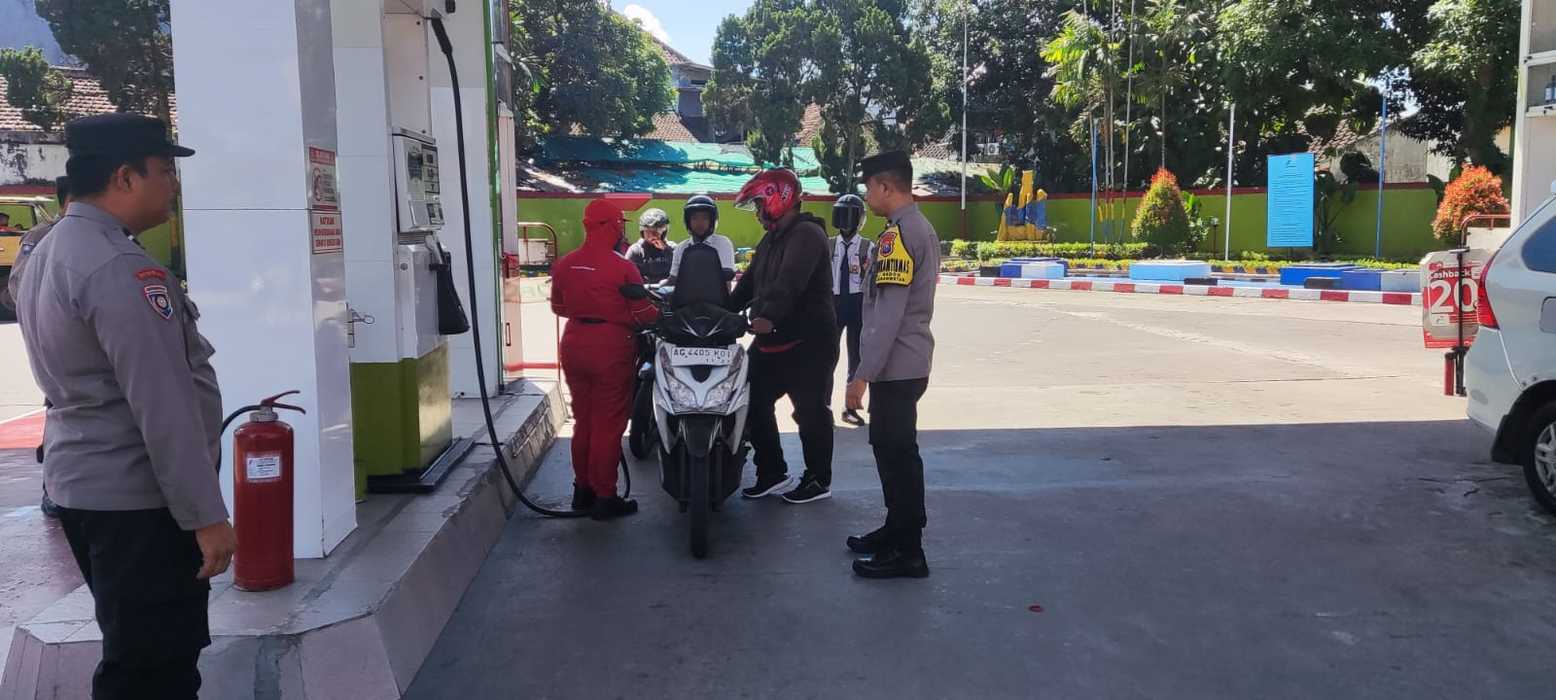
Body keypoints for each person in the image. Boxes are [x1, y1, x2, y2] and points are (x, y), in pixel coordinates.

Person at [13, 113, 235, 697]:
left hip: (86, 486)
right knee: (153, 666)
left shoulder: (49, 249)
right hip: (139, 503)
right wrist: (206, 516)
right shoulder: (119, 267)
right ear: (124, 177)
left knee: (138, 649)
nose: (173, 185)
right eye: (164, 171)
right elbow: (163, 406)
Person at [845, 151, 940, 579]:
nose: (867, 197)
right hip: (905, 362)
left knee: (898, 456)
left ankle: (908, 550)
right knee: (891, 450)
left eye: (869, 188)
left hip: (896, 366)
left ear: (885, 187)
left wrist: (861, 375)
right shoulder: (916, 227)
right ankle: (895, 530)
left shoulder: (898, 236)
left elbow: (888, 314)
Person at [728, 168, 837, 505]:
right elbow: (748, 284)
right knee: (750, 398)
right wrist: (717, 311)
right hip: (772, 340)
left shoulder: (807, 234)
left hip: (809, 342)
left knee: (810, 412)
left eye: (759, 203)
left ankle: (818, 479)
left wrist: (768, 316)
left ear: (779, 199)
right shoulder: (772, 238)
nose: (757, 211)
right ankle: (772, 472)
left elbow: (790, 282)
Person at [551, 199, 660, 520]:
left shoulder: (565, 264)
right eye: (620, 224)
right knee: (608, 425)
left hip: (574, 342)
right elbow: (644, 313)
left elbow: (559, 307)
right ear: (612, 226)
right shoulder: (623, 267)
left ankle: (582, 490)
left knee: (583, 421)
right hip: (611, 346)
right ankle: (605, 496)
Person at [1, 175, 71, 520]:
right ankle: (53, 490)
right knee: (60, 411)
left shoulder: (111, 236)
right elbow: (19, 286)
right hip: (58, 341)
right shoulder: (41, 236)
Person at [828, 193, 873, 427]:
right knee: (828, 358)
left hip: (857, 304)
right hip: (832, 304)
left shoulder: (868, 247)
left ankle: (850, 407)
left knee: (856, 357)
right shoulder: (828, 245)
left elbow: (872, 280)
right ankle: (824, 407)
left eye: (850, 215)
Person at [667, 194, 736, 285]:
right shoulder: (681, 248)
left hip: (716, 293)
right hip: (687, 294)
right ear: (688, 221)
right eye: (694, 218)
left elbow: (727, 279)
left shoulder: (722, 243)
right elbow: (673, 279)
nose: (699, 223)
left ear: (712, 221)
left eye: (705, 218)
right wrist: (658, 286)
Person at [626, 208, 674, 284]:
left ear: (664, 232)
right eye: (648, 231)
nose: (652, 235)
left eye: (656, 231)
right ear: (642, 232)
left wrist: (666, 250)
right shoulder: (636, 250)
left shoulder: (672, 248)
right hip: (643, 289)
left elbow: (681, 270)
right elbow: (626, 274)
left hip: (668, 289)